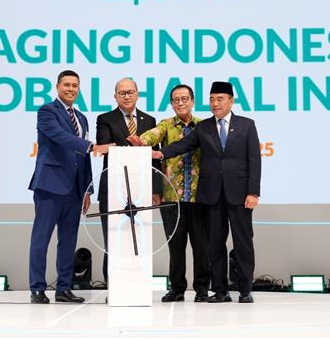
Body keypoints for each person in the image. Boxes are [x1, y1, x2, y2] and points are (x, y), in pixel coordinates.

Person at [153, 81, 261, 303]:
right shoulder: (203, 127)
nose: (215, 103)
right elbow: (183, 145)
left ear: (231, 101)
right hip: (211, 196)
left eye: (220, 99)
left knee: (243, 243)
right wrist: (160, 154)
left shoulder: (246, 125)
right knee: (214, 245)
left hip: (240, 195)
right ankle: (220, 291)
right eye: (212, 99)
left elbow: (254, 160)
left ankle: (245, 290)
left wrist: (253, 192)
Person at [28, 70, 111, 304]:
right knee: (41, 239)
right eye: (67, 84)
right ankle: (37, 289)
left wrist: (87, 189)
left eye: (75, 85)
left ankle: (63, 288)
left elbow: (83, 157)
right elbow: (60, 136)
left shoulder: (82, 118)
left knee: (68, 241)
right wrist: (93, 146)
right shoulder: (47, 111)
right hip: (50, 186)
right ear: (57, 86)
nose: (71, 89)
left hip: (74, 190)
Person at [129, 84, 210, 303]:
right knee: (175, 246)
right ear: (171, 104)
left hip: (200, 197)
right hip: (171, 197)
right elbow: (152, 135)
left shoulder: (204, 126)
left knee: (202, 246)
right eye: (176, 100)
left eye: (184, 98)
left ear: (192, 101)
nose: (180, 103)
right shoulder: (166, 125)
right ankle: (177, 288)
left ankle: (202, 289)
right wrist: (141, 141)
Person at [95, 78, 161, 283]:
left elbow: (154, 157)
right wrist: (135, 146)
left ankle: (137, 283)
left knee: (139, 240)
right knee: (113, 239)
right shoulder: (105, 119)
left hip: (141, 189)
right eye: (122, 93)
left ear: (137, 94)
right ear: (115, 96)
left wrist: (156, 189)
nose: (126, 96)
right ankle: (113, 286)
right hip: (113, 188)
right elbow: (104, 146)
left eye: (130, 92)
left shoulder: (150, 120)